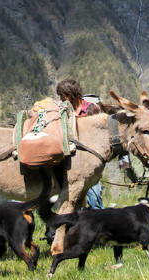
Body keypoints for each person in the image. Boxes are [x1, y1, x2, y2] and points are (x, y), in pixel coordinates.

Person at [56, 79, 104, 209]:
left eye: (63, 96)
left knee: (94, 198)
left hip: (89, 163)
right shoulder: (63, 111)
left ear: (71, 95)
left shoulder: (92, 109)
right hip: (70, 163)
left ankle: (102, 224)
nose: (61, 100)